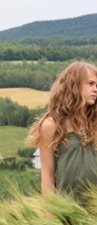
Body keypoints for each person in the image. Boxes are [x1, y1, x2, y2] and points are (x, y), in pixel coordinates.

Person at [26, 61, 97, 204]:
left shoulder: (95, 123)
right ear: (74, 86)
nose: (95, 89)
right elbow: (48, 176)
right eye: (90, 84)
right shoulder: (51, 126)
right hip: (68, 211)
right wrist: (53, 214)